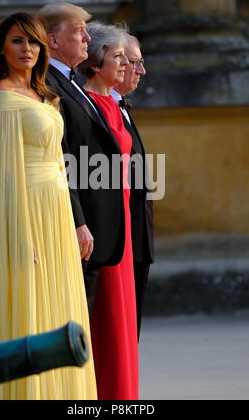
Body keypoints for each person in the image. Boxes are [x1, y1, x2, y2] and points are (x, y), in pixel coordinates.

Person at [0, 12, 97, 400]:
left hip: (58, 212)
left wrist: (78, 223)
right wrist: (18, 232)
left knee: (61, 303)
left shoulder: (45, 94)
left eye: (32, 41)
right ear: (2, 48)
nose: (26, 48)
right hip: (26, 211)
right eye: (16, 40)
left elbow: (61, 165)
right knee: (30, 304)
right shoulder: (0, 97)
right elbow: (3, 176)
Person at [38, 4, 126, 313]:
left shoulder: (71, 80)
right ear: (53, 40)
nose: (87, 38)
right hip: (79, 222)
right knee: (71, 318)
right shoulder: (47, 85)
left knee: (82, 318)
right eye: (78, 31)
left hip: (94, 224)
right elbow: (58, 158)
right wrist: (77, 221)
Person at [77, 21, 138, 400]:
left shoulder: (113, 104)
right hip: (102, 221)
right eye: (118, 56)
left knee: (124, 319)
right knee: (108, 320)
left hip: (125, 222)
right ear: (96, 62)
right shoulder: (87, 104)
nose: (127, 64)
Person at [111, 34, 154, 339]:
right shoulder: (103, 108)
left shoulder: (122, 105)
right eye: (135, 62)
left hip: (137, 235)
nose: (141, 70)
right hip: (119, 238)